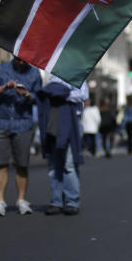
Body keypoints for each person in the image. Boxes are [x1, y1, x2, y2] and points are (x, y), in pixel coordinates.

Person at [0, 56, 41, 216]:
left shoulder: (34, 73)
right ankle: (0, 201)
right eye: (18, 60)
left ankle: (21, 200)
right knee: (0, 164)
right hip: (1, 122)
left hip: (23, 123)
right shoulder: (1, 69)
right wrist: (4, 87)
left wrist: (27, 95)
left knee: (22, 164)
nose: (21, 63)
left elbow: (39, 97)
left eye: (24, 60)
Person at [38, 76, 88, 215]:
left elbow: (84, 94)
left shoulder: (76, 75)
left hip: (71, 123)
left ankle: (72, 201)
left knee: (69, 164)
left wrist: (64, 94)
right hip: (54, 121)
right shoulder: (52, 77)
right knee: (54, 164)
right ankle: (56, 201)